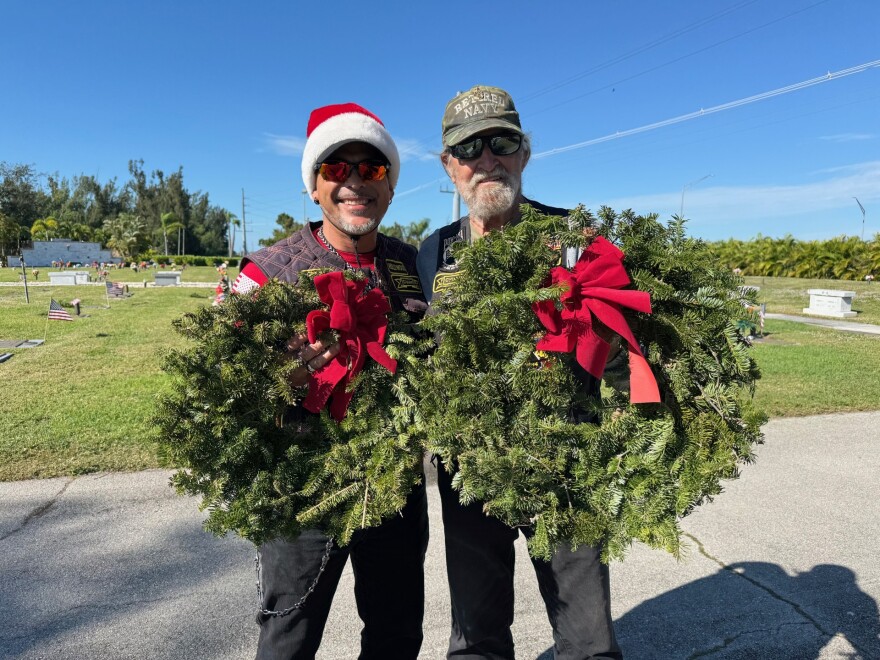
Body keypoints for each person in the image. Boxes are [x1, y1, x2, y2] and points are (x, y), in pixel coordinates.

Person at [417, 85, 623, 660]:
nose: (487, 159)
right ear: (449, 166)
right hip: (471, 473)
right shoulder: (432, 254)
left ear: (525, 153)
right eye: (469, 148)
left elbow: (628, 347)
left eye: (502, 142)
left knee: (588, 640)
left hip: (567, 466)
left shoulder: (574, 242)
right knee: (476, 636)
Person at [232, 102, 429, 660]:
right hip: (302, 490)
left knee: (396, 635)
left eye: (371, 169)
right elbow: (219, 385)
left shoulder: (415, 267)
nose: (354, 182)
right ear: (314, 187)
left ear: (390, 187)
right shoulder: (268, 272)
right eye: (335, 169)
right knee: (289, 638)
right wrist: (283, 377)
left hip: (394, 485)